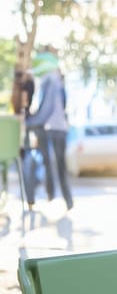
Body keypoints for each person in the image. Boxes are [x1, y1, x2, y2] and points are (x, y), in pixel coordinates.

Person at [25, 50, 73, 210]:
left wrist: (31, 121)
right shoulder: (56, 81)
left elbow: (47, 109)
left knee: (51, 163)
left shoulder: (50, 81)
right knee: (55, 165)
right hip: (59, 128)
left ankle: (58, 197)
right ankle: (58, 197)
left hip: (52, 129)